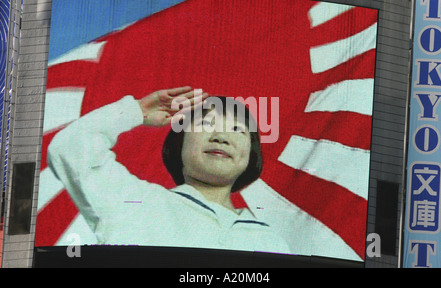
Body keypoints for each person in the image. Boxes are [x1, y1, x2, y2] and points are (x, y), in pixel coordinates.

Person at [48, 86, 291, 254]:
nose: (221, 137)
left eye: (238, 130)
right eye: (206, 124)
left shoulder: (271, 242)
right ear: (179, 143)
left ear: (251, 155)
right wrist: (137, 111)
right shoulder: (138, 203)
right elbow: (70, 148)